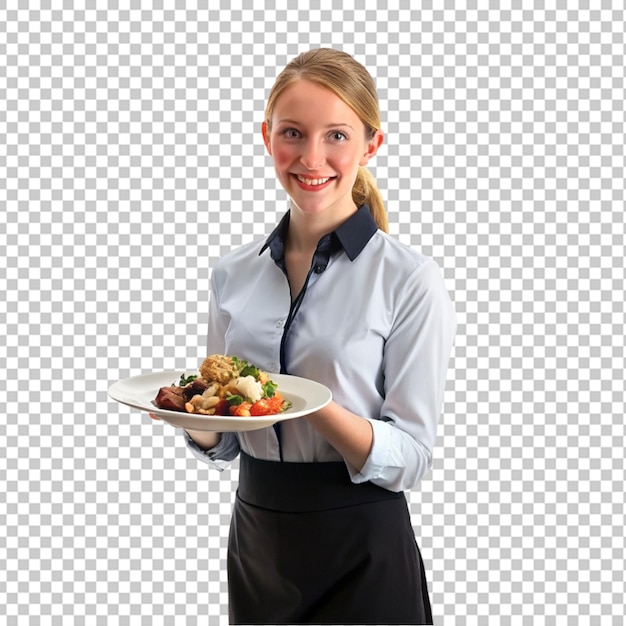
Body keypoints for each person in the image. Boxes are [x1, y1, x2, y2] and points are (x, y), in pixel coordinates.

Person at [179, 48, 455, 625]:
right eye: (293, 133)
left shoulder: (408, 279)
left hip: (363, 547)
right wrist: (199, 424)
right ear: (267, 137)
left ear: (370, 144)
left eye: (336, 135)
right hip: (258, 543)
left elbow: (412, 457)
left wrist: (309, 404)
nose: (311, 157)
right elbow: (228, 441)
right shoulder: (232, 275)